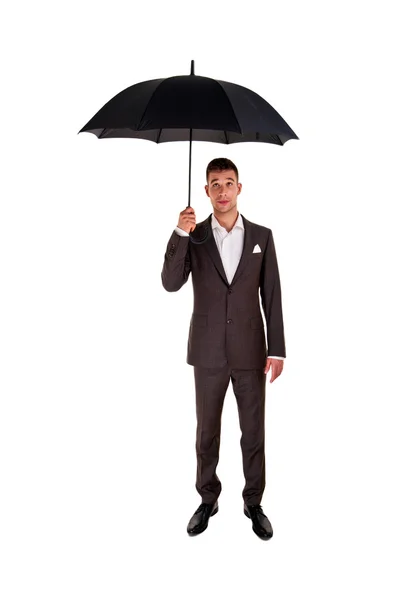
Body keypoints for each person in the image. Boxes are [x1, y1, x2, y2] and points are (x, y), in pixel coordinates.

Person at [161, 158, 286, 540]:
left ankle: (253, 502)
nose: (222, 191)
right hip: (208, 350)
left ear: (239, 188)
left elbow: (272, 294)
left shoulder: (262, 236)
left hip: (251, 350)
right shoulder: (195, 235)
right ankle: (207, 498)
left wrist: (277, 349)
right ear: (205, 191)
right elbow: (170, 283)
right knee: (207, 433)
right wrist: (180, 234)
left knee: (253, 433)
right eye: (215, 184)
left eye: (228, 183)